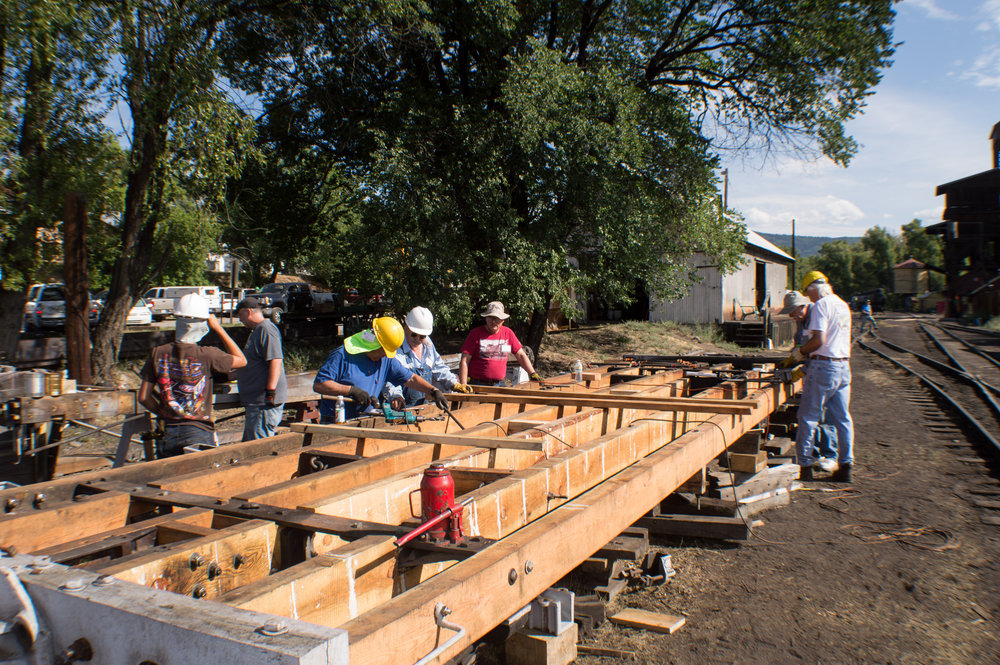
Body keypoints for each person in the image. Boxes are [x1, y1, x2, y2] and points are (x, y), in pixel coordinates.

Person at [138, 293, 247, 457]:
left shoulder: (158, 353)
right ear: (203, 323)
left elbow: (143, 397)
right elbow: (242, 360)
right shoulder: (208, 354)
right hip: (198, 430)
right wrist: (218, 328)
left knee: (167, 480)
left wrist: (164, 412)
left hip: (167, 429)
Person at [313, 316, 449, 422]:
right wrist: (350, 390)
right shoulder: (342, 355)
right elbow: (320, 385)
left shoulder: (385, 360)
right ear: (375, 344)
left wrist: (432, 390)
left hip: (365, 420)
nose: (385, 355)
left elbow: (411, 378)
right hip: (336, 421)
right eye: (384, 351)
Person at [787, 271, 854, 482]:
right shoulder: (843, 304)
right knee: (842, 419)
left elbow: (819, 341)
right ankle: (846, 467)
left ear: (812, 288)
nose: (809, 298)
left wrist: (800, 353)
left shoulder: (821, 306)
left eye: (808, 293)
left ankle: (805, 467)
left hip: (823, 366)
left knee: (808, 417)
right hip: (843, 366)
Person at [780, 290, 838, 472]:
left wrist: (801, 369)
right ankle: (812, 454)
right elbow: (800, 345)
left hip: (824, 369)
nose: (792, 315)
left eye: (794, 311)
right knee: (810, 416)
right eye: (790, 312)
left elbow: (819, 348)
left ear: (803, 305)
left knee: (824, 414)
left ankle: (829, 455)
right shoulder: (802, 321)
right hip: (812, 372)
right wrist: (792, 359)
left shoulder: (817, 315)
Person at [387, 306, 473, 406]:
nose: (418, 339)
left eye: (422, 336)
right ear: (406, 327)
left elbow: (438, 367)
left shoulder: (428, 345)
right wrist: (396, 396)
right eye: (414, 334)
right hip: (402, 407)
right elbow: (391, 376)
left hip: (424, 405)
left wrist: (454, 383)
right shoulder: (396, 347)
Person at [236, 296, 287, 440]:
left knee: (257, 447)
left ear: (248, 311)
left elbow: (276, 360)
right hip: (257, 402)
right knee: (251, 442)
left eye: (240, 315)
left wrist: (270, 391)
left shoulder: (266, 329)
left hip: (263, 402)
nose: (240, 319)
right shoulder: (258, 330)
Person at [458, 301, 542, 386]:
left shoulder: (508, 333)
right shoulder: (475, 334)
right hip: (478, 384)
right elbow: (464, 361)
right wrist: (464, 385)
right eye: (490, 318)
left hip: (499, 384)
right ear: (486, 318)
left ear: (502, 320)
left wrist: (532, 373)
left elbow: (520, 355)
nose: (493, 321)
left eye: (497, 318)